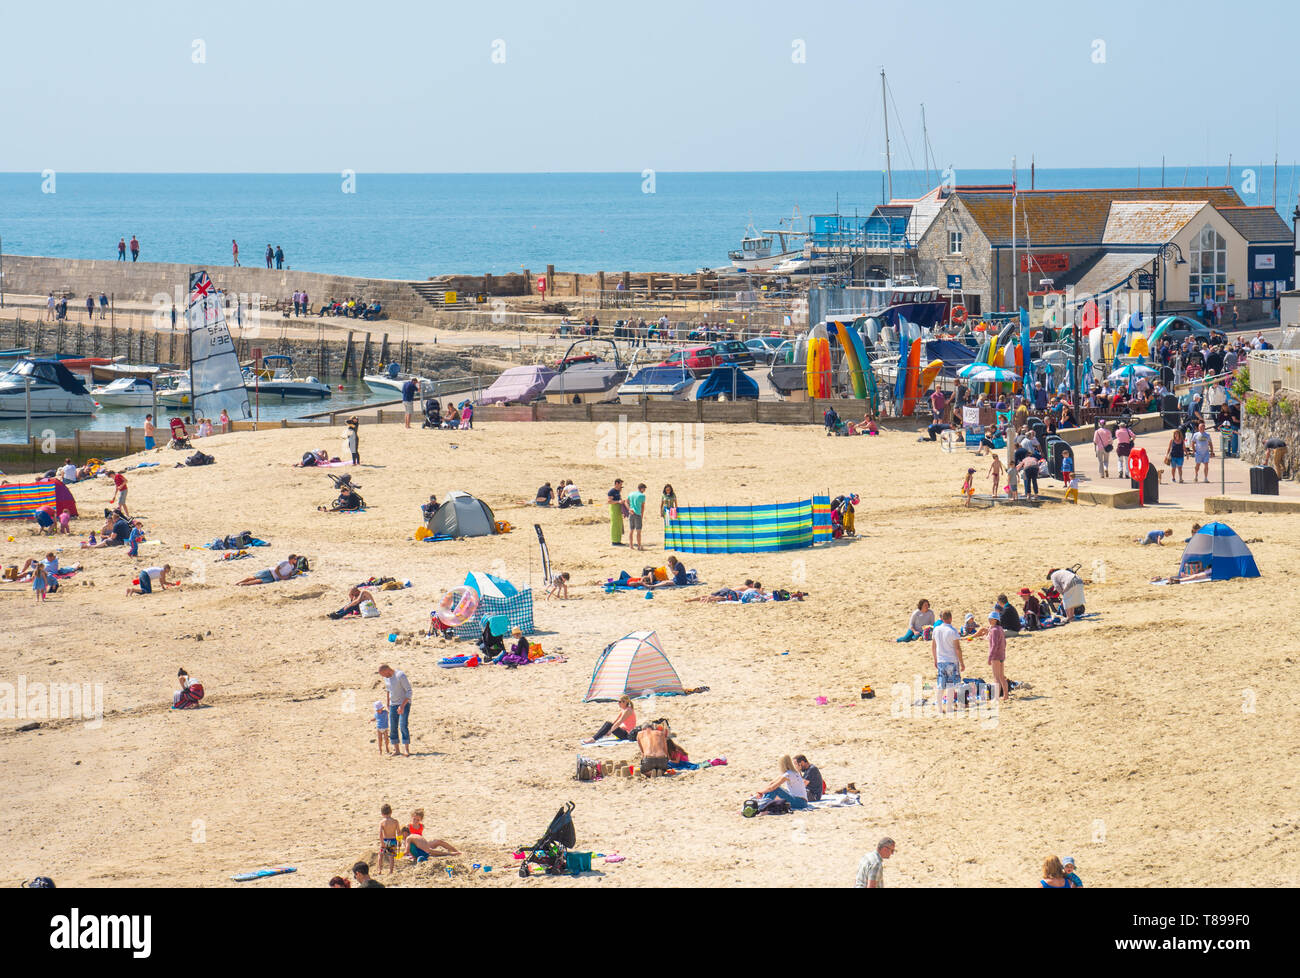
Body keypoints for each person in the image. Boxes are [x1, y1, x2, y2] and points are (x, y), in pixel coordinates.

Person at [931, 610, 965, 713]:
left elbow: (933, 646)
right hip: (951, 660)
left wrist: (935, 659)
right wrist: (962, 662)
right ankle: (949, 707)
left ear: (942, 619)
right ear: (950, 618)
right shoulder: (952, 631)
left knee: (941, 685)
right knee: (950, 685)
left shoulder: (936, 630)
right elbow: (957, 649)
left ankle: (940, 708)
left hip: (941, 660)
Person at [377, 664, 412, 756]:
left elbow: (409, 691)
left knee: (403, 725)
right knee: (393, 727)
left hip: (404, 703)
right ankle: (396, 750)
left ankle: (406, 749)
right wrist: (388, 704)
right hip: (393, 705)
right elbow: (388, 691)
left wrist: (402, 706)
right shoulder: (387, 678)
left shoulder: (400, 675)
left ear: (387, 670)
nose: (383, 677)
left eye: (383, 674)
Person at [235, 554, 300, 586]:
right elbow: (276, 569)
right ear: (291, 559)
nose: (296, 560)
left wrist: (288, 576)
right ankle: (239, 582)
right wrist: (281, 577)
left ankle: (244, 584)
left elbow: (289, 574)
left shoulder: (292, 566)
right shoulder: (285, 562)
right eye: (295, 559)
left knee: (259, 581)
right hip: (270, 572)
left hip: (274, 578)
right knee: (254, 577)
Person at [378, 804, 400, 874]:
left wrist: (382, 843)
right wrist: (399, 841)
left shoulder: (382, 822)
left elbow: (380, 834)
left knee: (380, 855)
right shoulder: (395, 821)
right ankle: (391, 871)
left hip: (385, 840)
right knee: (391, 857)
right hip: (393, 840)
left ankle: (380, 869)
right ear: (391, 812)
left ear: (382, 814)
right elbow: (398, 832)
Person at [627, 482, 647, 551]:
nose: (644, 490)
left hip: (631, 513)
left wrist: (629, 509)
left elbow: (626, 502)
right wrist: (642, 515)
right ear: (641, 489)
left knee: (631, 530)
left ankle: (631, 545)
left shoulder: (631, 494)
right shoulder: (642, 496)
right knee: (638, 531)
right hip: (637, 513)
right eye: (644, 489)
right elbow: (642, 506)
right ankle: (639, 546)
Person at [607, 478, 625, 546]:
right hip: (614, 510)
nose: (621, 486)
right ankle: (614, 541)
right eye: (620, 484)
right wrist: (618, 502)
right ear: (616, 483)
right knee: (615, 525)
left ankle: (618, 540)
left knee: (619, 525)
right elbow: (609, 501)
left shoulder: (618, 491)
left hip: (618, 509)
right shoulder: (612, 491)